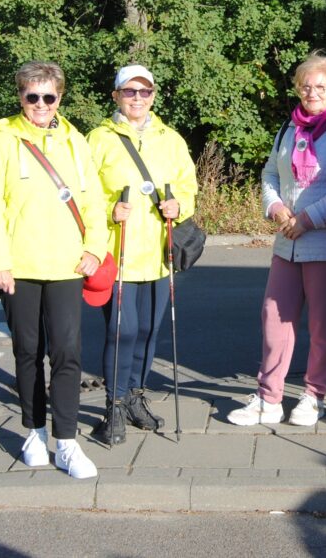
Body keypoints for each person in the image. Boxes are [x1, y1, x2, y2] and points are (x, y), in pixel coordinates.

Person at [0, 61, 107, 479]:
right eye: (32, 96)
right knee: (27, 352)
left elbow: (94, 203)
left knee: (67, 352)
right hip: (20, 267)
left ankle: (66, 441)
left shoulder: (75, 142)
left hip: (67, 265)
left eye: (49, 96)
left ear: (60, 98)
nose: (41, 104)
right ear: (20, 97)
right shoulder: (4, 140)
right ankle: (33, 431)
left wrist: (95, 249)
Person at [227, 52, 326, 427]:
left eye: (321, 86)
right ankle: (269, 397)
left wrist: (307, 218)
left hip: (325, 244)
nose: (312, 92)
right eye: (306, 85)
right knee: (274, 320)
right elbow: (271, 173)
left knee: (323, 326)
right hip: (287, 243)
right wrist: (275, 209)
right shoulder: (289, 128)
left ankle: (313, 395)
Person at [86, 64, 198, 442]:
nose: (138, 99)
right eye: (129, 92)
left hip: (157, 253)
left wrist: (178, 206)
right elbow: (83, 192)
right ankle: (113, 406)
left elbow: (188, 185)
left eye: (144, 92)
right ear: (116, 95)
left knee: (149, 331)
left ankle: (135, 396)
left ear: (153, 95)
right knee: (123, 331)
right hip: (117, 252)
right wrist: (108, 211)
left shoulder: (171, 138)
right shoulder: (98, 139)